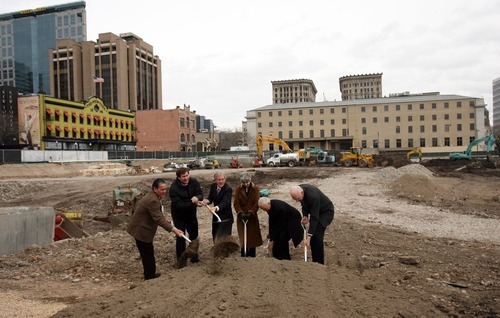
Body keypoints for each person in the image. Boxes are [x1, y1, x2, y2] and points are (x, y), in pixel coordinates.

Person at [127, 178, 183, 280]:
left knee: (148, 252)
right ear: (155, 189)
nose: (164, 191)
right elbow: (158, 219)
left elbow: (158, 214)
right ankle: (149, 276)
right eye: (162, 189)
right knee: (147, 254)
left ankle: (150, 273)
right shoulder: (152, 200)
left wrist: (166, 220)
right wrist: (174, 230)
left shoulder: (155, 196)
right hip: (140, 230)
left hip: (143, 227)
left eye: (165, 189)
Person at [290, 184, 334, 264]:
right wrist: (305, 215)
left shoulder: (313, 196)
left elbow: (314, 218)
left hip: (326, 212)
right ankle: (315, 262)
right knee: (313, 235)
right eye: (295, 199)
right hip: (317, 211)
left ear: (302, 192)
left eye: (297, 199)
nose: (297, 201)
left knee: (316, 235)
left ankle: (319, 263)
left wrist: (309, 236)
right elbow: (303, 204)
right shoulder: (300, 191)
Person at [169, 167, 204, 263]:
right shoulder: (173, 188)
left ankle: (194, 256)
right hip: (179, 216)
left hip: (191, 214)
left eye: (187, 175)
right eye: (183, 176)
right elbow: (179, 205)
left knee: (194, 235)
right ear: (179, 178)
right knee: (180, 237)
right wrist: (192, 202)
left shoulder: (194, 182)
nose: (186, 178)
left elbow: (200, 194)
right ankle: (181, 260)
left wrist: (197, 198)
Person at [233, 172, 263, 257]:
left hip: (252, 217)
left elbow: (256, 202)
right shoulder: (238, 189)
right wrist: (240, 212)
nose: (246, 184)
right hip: (241, 217)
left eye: (247, 182)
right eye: (244, 182)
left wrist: (251, 212)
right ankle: (243, 255)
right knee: (243, 236)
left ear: (250, 181)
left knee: (252, 237)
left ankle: (252, 255)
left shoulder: (255, 189)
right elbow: (236, 203)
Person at [202, 171, 233, 243]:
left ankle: (225, 252)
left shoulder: (228, 189)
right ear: (215, 180)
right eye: (219, 180)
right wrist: (206, 201)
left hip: (226, 217)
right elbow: (211, 198)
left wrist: (216, 208)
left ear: (225, 179)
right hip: (216, 216)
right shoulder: (213, 186)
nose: (221, 181)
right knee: (215, 234)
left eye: (222, 179)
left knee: (225, 237)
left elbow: (225, 202)